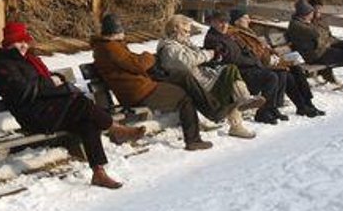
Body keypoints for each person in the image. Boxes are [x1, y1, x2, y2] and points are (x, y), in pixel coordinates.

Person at [0, 21, 144, 189]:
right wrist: (48, 82)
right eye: (19, 41)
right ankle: (115, 129)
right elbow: (21, 91)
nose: (24, 45)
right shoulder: (2, 64)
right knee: (82, 105)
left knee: (87, 121)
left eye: (25, 41)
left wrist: (56, 79)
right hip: (33, 116)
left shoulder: (30, 60)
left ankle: (99, 173)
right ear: (9, 43)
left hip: (48, 109)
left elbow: (41, 80)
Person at [92, 13, 257, 145]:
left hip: (143, 85)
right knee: (185, 96)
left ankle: (216, 114)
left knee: (186, 80)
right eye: (120, 31)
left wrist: (145, 59)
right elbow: (138, 64)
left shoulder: (112, 47)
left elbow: (133, 62)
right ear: (114, 32)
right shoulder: (110, 48)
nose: (123, 34)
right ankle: (195, 136)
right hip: (139, 91)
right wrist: (148, 56)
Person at [158, 14, 263, 138]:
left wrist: (213, 55)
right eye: (185, 31)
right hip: (194, 84)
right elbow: (186, 62)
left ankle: (239, 117)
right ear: (175, 29)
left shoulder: (181, 44)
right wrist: (210, 53)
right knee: (230, 71)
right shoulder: (169, 47)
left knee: (230, 78)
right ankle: (242, 105)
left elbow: (196, 56)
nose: (188, 34)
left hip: (202, 79)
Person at [226, 8, 326, 117]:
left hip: (267, 60)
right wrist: (270, 59)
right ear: (236, 21)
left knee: (296, 69)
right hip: (259, 65)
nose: (249, 20)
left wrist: (273, 53)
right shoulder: (237, 34)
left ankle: (307, 103)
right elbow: (252, 53)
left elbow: (261, 48)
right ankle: (289, 106)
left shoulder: (247, 31)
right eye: (245, 18)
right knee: (284, 72)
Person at [203, 11, 287, 124]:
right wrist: (252, 61)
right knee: (271, 77)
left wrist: (255, 60)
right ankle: (263, 113)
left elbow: (245, 51)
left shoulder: (228, 36)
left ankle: (271, 108)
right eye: (220, 22)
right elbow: (232, 58)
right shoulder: (213, 39)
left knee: (280, 73)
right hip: (237, 73)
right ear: (213, 22)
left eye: (226, 22)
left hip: (248, 67)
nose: (224, 26)